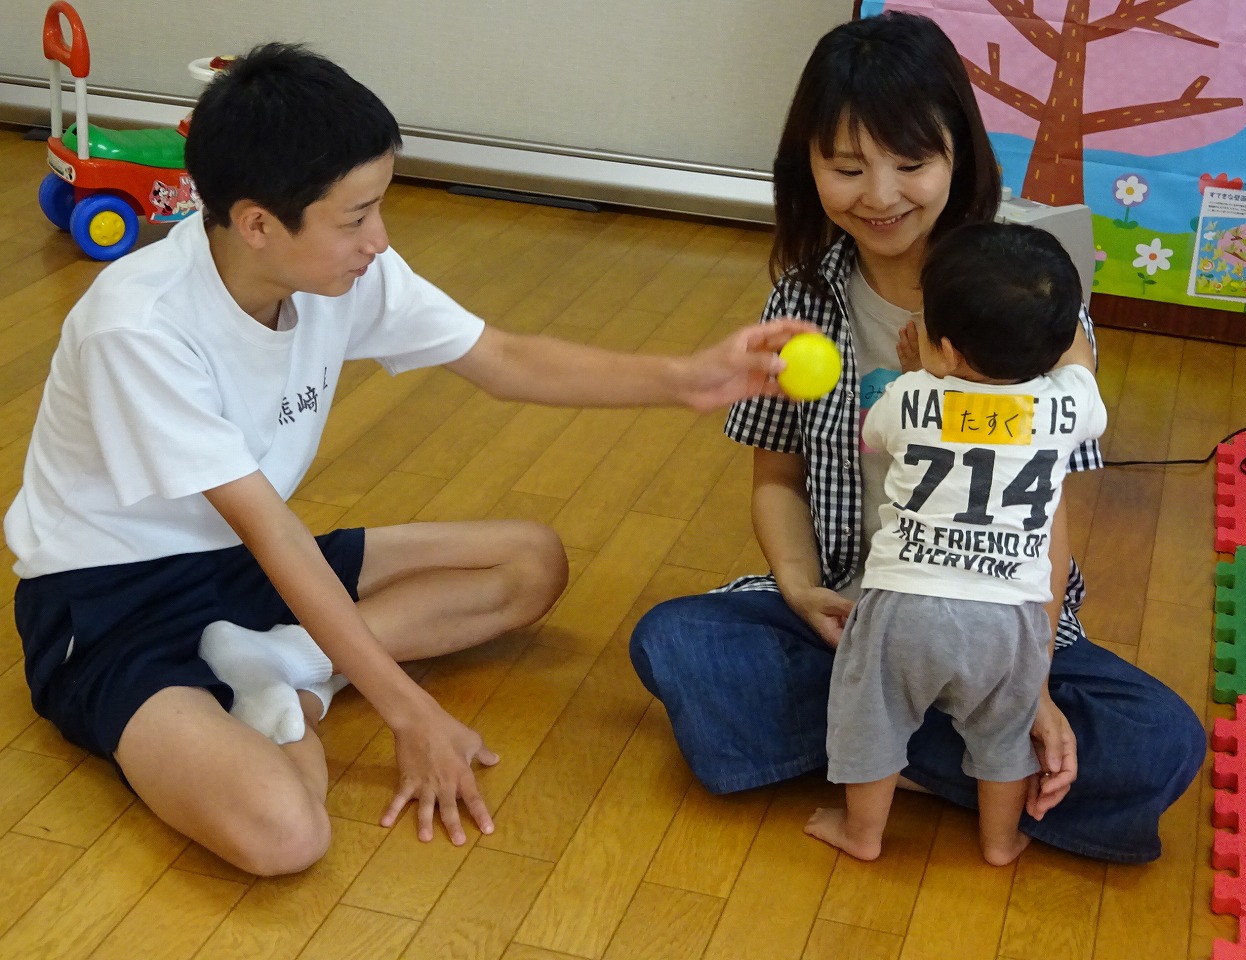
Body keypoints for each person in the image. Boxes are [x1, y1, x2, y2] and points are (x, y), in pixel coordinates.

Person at [4, 43, 815, 877]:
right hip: (110, 603)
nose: (379, 240)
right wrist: (409, 711)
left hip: (237, 562)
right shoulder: (138, 329)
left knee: (530, 562)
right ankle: (279, 691)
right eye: (356, 217)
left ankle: (281, 665)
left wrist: (686, 379)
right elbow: (273, 532)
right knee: (286, 835)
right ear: (257, 223)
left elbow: (503, 359)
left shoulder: (341, 272)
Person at [629, 10, 1205, 864]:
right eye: (847, 167)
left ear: (958, 155)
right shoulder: (803, 300)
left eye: (911, 163)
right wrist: (798, 588)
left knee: (1162, 740)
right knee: (675, 642)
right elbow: (776, 478)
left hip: (1001, 624)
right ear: (807, 166)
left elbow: (1047, 515)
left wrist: (1030, 684)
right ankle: (966, 765)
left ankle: (878, 756)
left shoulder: (1032, 301)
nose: (881, 195)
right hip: (852, 612)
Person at [805, 221, 1106, 866]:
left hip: (904, 604)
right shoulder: (1067, 407)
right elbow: (1078, 362)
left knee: (873, 717)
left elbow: (878, 437)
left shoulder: (908, 396)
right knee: (1005, 733)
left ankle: (863, 833)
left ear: (943, 346)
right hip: (1011, 619)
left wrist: (924, 376)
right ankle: (999, 842)